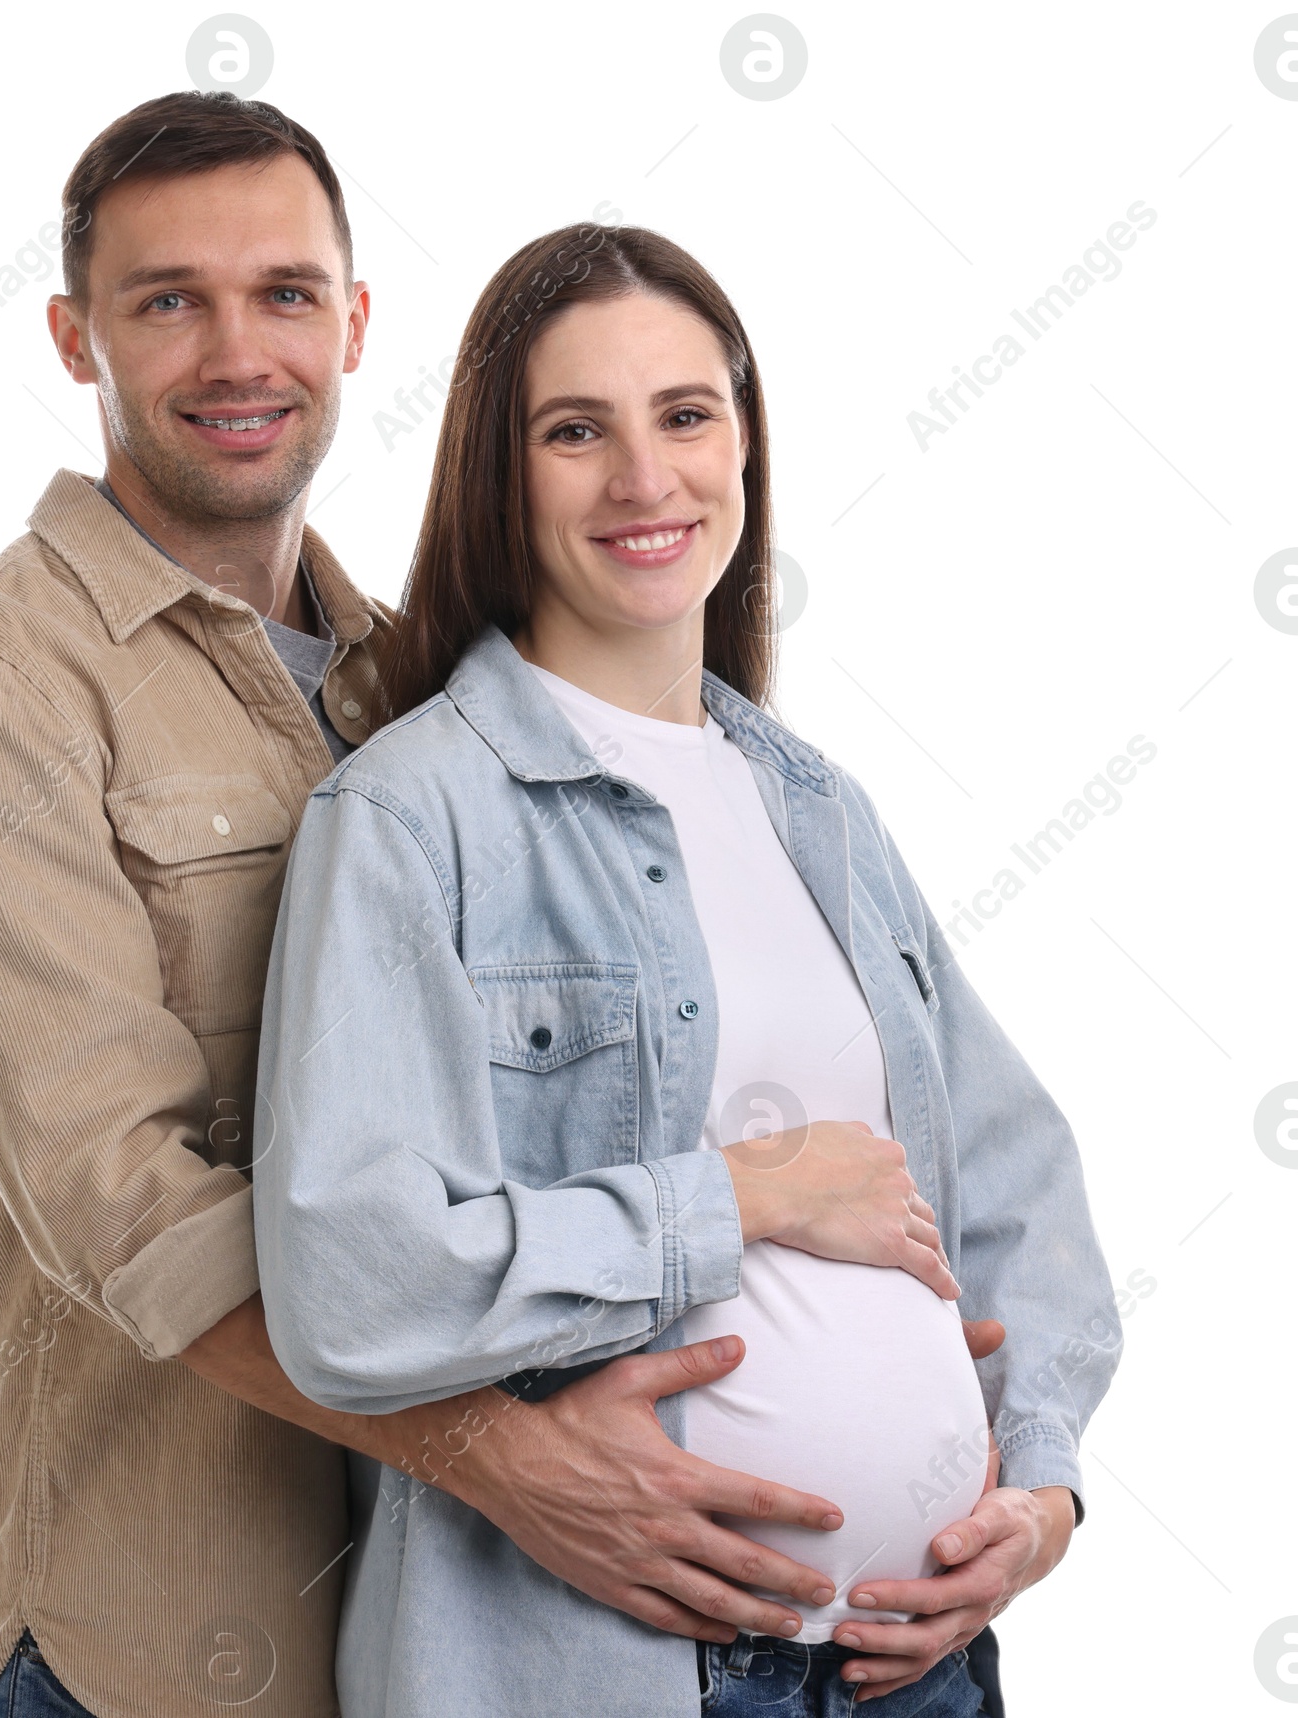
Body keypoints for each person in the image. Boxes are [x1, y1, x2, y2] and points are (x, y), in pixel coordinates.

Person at [0, 96, 925, 1718]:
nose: (235, 352)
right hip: (150, 1631)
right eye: (165, 300)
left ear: (354, 323)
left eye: (283, 294)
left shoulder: (417, 678)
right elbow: (121, 1197)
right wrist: (507, 1456)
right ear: (76, 337)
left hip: (462, 1623)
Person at [253, 224, 1120, 1716]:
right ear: (499, 475)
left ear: (744, 443)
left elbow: (1019, 1175)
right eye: (576, 430)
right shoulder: (410, 816)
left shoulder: (816, 805)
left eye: (686, 414)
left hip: (915, 1665)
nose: (645, 479)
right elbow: (350, 1278)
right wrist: (750, 1196)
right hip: (608, 1670)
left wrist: (1036, 1500)